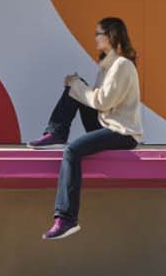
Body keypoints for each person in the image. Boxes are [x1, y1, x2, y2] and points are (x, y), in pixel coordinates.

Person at [32, 16, 142, 240]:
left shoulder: (122, 65)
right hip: (107, 123)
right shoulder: (108, 65)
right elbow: (96, 101)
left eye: (98, 34)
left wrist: (77, 86)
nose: (95, 39)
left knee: (72, 151)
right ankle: (56, 132)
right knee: (76, 87)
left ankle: (67, 218)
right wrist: (77, 86)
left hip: (123, 132)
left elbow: (102, 102)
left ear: (110, 36)